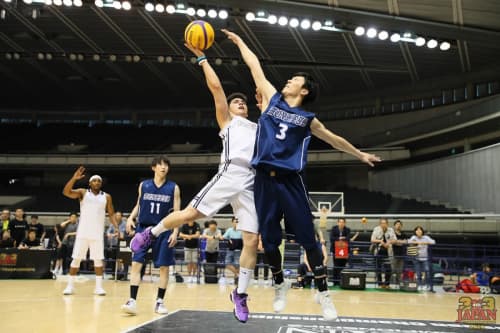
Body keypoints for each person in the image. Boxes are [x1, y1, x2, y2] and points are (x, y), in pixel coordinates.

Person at [220, 28, 381, 320]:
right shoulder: (270, 99)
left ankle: (323, 293)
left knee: (309, 240)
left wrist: (359, 154)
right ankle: (280, 283)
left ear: (304, 91)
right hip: (263, 182)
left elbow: (334, 139)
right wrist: (241, 40)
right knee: (268, 242)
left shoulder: (308, 119)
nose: (289, 80)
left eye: (295, 80)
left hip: (290, 182)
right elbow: (254, 66)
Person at [131, 43, 260, 323]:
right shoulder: (227, 121)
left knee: (251, 240)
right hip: (229, 175)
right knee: (189, 213)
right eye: (237, 101)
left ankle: (239, 294)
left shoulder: (259, 129)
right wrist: (202, 58)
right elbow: (216, 89)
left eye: (244, 102)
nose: (241, 103)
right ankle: (151, 233)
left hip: (251, 182)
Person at [121, 156, 180, 315]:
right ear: (153, 167)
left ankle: (159, 302)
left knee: (164, 268)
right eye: (160, 165)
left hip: (164, 230)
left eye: (166, 165)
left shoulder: (173, 188)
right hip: (143, 229)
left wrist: (175, 231)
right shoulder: (144, 185)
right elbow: (139, 203)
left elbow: (176, 212)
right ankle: (132, 300)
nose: (163, 167)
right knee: (136, 264)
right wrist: (130, 217)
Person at [62, 167, 117, 296]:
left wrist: (115, 226)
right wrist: (74, 179)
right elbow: (66, 192)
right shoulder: (83, 193)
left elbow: (111, 213)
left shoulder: (107, 197)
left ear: (101, 184)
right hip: (83, 232)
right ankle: (70, 286)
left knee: (98, 260)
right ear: (90, 183)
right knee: (76, 259)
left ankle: (98, 287)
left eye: (99, 181)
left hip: (97, 234)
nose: (97, 182)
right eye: (94, 180)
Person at [330, 218, 358, 286]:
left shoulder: (347, 229)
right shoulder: (334, 229)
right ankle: (335, 281)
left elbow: (348, 238)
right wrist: (339, 238)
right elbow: (331, 238)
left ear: (345, 223)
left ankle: (341, 281)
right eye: (340, 222)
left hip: (344, 249)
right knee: (336, 266)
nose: (341, 223)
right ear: (338, 223)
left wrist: (344, 239)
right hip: (335, 249)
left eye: (343, 222)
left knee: (342, 266)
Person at [370, 218, 396, 289]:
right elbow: (372, 239)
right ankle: (380, 284)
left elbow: (395, 240)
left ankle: (387, 284)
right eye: (382, 223)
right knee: (378, 268)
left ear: (387, 224)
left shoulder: (391, 230)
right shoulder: (376, 229)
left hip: (388, 252)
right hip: (379, 251)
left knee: (389, 269)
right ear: (380, 224)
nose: (383, 225)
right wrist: (380, 241)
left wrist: (389, 242)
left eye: (385, 223)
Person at [408, 226, 435, 291]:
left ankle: (427, 285)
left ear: (422, 231)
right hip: (416, 258)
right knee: (418, 273)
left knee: (427, 272)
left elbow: (433, 242)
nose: (419, 231)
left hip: (425, 258)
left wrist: (425, 243)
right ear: (415, 232)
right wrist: (416, 243)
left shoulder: (426, 237)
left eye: (420, 230)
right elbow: (409, 242)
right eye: (417, 230)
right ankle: (419, 285)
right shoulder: (414, 237)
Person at [222, 217, 243, 285]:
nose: (236, 223)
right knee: (227, 264)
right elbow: (223, 237)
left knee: (237, 265)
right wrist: (228, 239)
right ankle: (237, 275)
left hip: (239, 251)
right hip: (230, 250)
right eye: (234, 221)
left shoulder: (241, 230)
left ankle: (236, 279)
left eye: (237, 221)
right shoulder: (229, 230)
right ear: (232, 222)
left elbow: (244, 239)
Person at [391, 220, 407, 287]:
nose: (398, 225)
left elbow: (406, 241)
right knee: (393, 269)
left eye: (400, 224)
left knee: (400, 270)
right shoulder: (392, 233)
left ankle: (399, 283)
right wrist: (400, 242)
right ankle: (391, 283)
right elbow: (392, 241)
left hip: (402, 254)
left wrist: (397, 242)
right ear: (394, 226)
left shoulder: (403, 234)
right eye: (397, 224)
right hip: (393, 254)